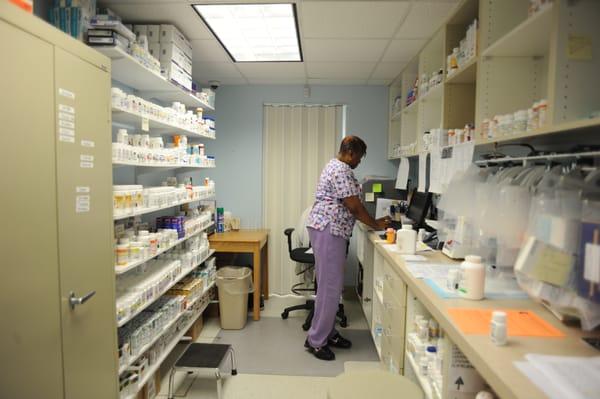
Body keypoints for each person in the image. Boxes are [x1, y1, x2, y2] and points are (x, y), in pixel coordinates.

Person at [305, 135, 391, 361]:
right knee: (329, 288)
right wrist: (376, 223)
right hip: (329, 230)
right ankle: (316, 341)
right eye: (360, 157)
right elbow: (353, 206)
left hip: (329, 230)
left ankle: (326, 332)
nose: (360, 162)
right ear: (351, 153)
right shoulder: (341, 170)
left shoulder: (336, 167)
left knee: (331, 286)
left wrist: (373, 221)